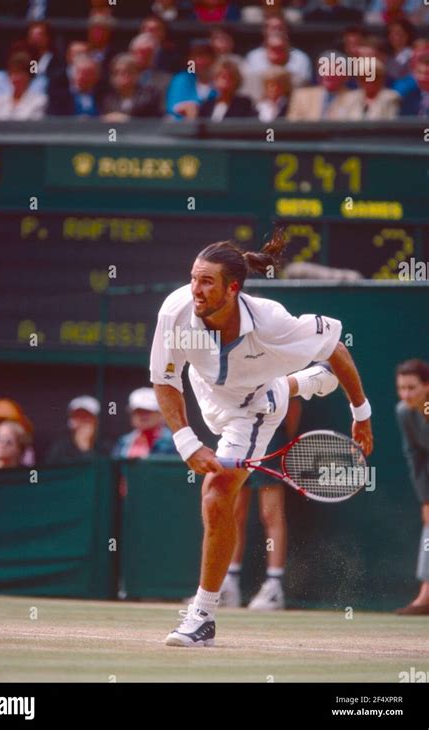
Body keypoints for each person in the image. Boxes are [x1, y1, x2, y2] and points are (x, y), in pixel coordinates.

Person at [150, 231, 373, 646]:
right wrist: (185, 440)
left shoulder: (274, 322)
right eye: (193, 278)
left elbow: (336, 348)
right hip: (205, 390)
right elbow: (165, 379)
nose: (195, 290)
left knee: (217, 492)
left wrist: (361, 412)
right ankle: (298, 383)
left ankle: (202, 618)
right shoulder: (176, 312)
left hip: (249, 410)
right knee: (272, 391)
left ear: (233, 288)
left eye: (207, 282)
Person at [220, 400, 302, 609]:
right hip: (237, 433)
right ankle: (229, 584)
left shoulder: (280, 369)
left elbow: (293, 405)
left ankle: (274, 587)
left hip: (271, 435)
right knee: (234, 512)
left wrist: (283, 443)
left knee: (270, 515)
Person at [394, 359, 429, 615]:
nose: (406, 394)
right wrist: (426, 500)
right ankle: (425, 598)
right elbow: (414, 457)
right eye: (401, 388)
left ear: (427, 386)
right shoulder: (404, 412)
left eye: (412, 388)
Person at [287, 51, 351, 121]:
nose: (328, 75)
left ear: (346, 76)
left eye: (334, 71)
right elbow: (292, 126)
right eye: (323, 70)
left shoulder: (353, 98)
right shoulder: (301, 96)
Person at [112, 388, 176, 459]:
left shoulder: (174, 442)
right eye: (138, 411)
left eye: (148, 411)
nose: (143, 416)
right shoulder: (123, 442)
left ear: (160, 414)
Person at [46, 395, 111, 463]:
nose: (81, 423)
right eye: (77, 418)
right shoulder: (59, 449)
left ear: (96, 422)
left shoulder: (106, 449)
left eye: (86, 418)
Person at [100, 54, 162, 121]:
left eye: (129, 72)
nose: (124, 76)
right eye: (118, 72)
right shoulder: (107, 99)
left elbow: (153, 122)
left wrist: (127, 119)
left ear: (137, 74)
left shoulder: (149, 96)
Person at [166, 39, 217, 119]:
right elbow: (172, 109)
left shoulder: (219, 82)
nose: (200, 61)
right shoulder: (181, 79)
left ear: (213, 59)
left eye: (205, 56)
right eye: (196, 56)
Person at [336, 59, 400, 120]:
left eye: (374, 77)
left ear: (382, 78)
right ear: (358, 80)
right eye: (364, 77)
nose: (369, 81)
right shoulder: (349, 98)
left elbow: (390, 125)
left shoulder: (391, 97)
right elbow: (341, 123)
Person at [0, 52, 48, 120]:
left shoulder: (40, 101)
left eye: (18, 74)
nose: (14, 78)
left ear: (28, 76)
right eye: (12, 73)